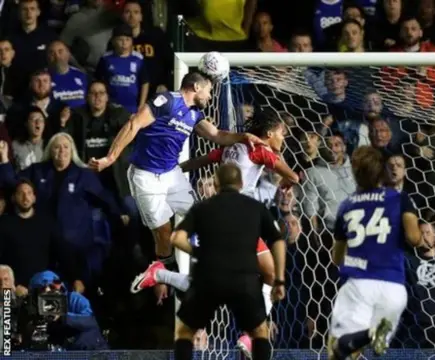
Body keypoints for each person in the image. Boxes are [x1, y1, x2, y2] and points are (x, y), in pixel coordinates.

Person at [88, 53, 265, 301]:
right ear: (196, 87)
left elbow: (217, 135)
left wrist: (244, 137)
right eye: (209, 91)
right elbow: (133, 124)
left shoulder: (194, 115)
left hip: (171, 175)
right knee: (163, 233)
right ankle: (167, 274)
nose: (211, 96)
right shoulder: (167, 101)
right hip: (145, 177)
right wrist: (110, 157)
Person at [131, 108, 299, 357]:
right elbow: (293, 175)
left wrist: (172, 171)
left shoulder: (233, 146)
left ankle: (161, 274)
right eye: (282, 134)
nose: (283, 139)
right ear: (270, 133)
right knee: (268, 277)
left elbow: (199, 161)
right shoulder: (259, 150)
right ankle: (250, 335)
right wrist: (286, 179)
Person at [170, 163, 287, 360]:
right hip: (244, 281)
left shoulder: (202, 208)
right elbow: (277, 241)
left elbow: (176, 238)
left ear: (216, 184)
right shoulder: (255, 207)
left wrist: (199, 252)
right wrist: (280, 280)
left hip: (208, 278)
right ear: (241, 184)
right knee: (260, 332)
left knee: (184, 332)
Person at [327, 146, 423, 360]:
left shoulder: (347, 205)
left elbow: (337, 258)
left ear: (355, 173)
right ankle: (370, 335)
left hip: (359, 286)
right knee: (361, 344)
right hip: (394, 288)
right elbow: (415, 239)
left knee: (336, 351)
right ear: (382, 172)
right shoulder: (399, 198)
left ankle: (364, 336)